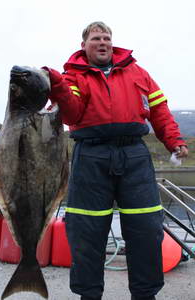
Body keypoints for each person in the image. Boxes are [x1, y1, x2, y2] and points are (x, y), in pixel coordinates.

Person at [43, 21, 188, 300]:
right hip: (90, 155)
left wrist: (175, 141)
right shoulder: (72, 76)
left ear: (112, 43)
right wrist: (56, 85)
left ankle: (145, 295)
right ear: (84, 44)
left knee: (146, 228)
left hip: (134, 154)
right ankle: (89, 295)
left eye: (106, 38)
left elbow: (159, 110)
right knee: (86, 231)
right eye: (96, 38)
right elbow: (71, 115)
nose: (103, 42)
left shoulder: (138, 72)